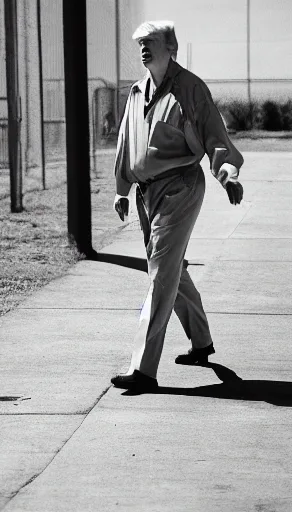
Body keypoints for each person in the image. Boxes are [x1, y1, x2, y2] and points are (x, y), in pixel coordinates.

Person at [110, 21, 244, 391]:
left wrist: (227, 173)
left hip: (180, 188)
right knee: (171, 270)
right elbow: (126, 143)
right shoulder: (137, 91)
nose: (143, 48)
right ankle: (201, 343)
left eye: (150, 42)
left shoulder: (190, 88)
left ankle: (143, 369)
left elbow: (215, 137)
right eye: (140, 43)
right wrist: (122, 190)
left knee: (161, 275)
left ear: (171, 46)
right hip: (145, 194)